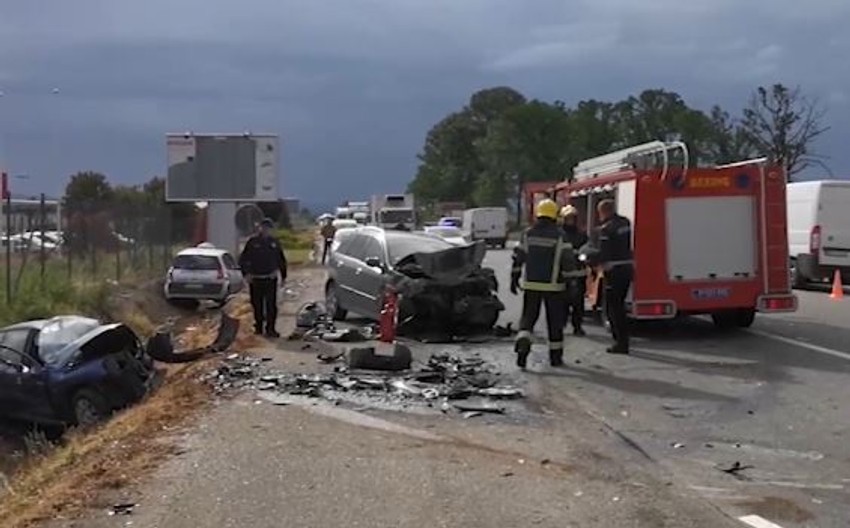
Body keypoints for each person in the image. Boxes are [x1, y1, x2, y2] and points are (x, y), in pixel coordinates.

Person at [510, 199, 580, 369]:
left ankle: (523, 346)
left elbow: (518, 257)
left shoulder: (528, 233)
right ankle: (555, 358)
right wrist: (572, 283)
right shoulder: (560, 235)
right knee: (554, 323)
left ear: (538, 214)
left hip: (531, 285)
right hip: (554, 287)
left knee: (528, 319)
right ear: (555, 215)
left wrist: (514, 278)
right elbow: (568, 261)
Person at [238, 218, 288, 338]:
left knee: (271, 305)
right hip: (256, 279)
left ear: (271, 229)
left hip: (270, 278)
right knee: (257, 304)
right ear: (260, 228)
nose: (266, 230)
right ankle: (259, 327)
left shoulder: (274, 242)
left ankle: (271, 329)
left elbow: (281, 260)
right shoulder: (252, 242)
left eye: (268, 228)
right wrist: (246, 274)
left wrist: (283, 276)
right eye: (264, 227)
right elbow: (243, 260)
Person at [595, 199, 634, 354]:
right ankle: (623, 341)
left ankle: (620, 343)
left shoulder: (606, 229)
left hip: (614, 271)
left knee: (614, 309)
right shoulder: (625, 223)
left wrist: (592, 259)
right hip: (627, 269)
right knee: (620, 306)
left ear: (603, 211)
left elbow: (604, 253)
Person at [559, 205, 589, 336]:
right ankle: (561, 324)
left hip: (579, 273)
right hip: (562, 274)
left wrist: (584, 257)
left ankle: (577, 326)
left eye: (572, 218)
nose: (570, 220)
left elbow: (587, 248)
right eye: (568, 218)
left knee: (578, 303)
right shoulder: (559, 234)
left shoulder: (582, 235)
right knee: (562, 302)